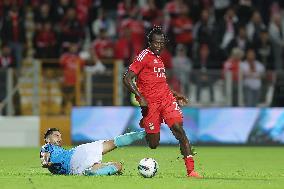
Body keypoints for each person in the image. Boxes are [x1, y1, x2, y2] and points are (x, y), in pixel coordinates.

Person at [123, 26, 202, 178]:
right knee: (153, 144)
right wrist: (141, 97)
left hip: (166, 100)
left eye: (161, 43)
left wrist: (175, 94)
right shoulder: (144, 56)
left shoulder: (159, 59)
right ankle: (147, 124)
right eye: (156, 43)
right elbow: (126, 78)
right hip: (151, 105)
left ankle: (191, 171)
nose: (159, 46)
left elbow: (160, 83)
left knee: (179, 130)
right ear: (150, 43)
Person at [40, 128, 145, 176]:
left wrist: (47, 164)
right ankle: (143, 134)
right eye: (56, 135)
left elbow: (47, 161)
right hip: (76, 155)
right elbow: (44, 157)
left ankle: (91, 172)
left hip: (75, 167)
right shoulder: (47, 146)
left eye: (60, 136)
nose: (60, 138)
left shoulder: (59, 151)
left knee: (118, 166)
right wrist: (45, 163)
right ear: (48, 139)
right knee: (112, 143)